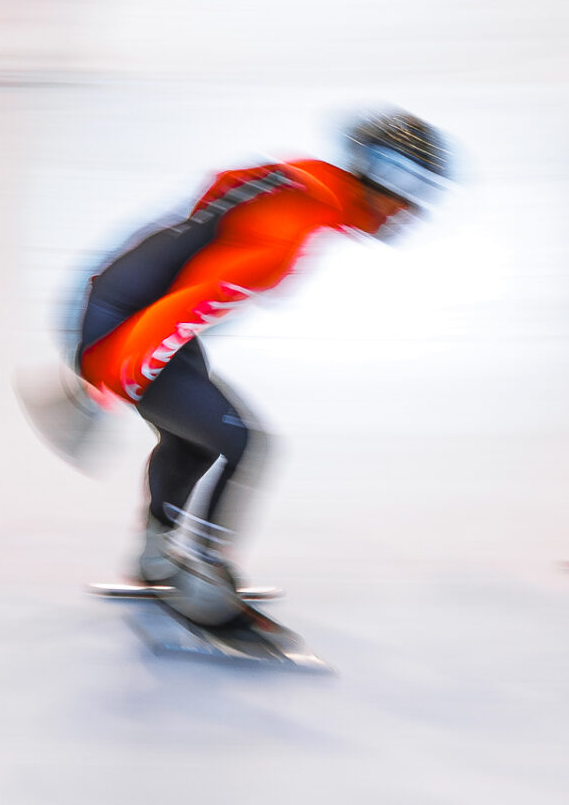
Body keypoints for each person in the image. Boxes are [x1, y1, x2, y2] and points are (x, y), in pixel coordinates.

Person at [70, 111, 450, 626]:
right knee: (244, 443)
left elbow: (222, 187)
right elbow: (181, 310)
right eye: (410, 192)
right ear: (379, 178)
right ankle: (206, 576)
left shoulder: (314, 182)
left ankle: (156, 558)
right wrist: (103, 386)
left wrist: (177, 257)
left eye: (424, 196)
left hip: (125, 303)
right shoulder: (282, 236)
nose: (412, 211)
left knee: (196, 439)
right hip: (126, 326)